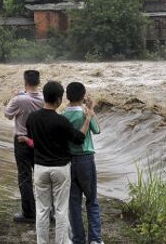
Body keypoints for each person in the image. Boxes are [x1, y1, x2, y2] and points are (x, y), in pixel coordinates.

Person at [27, 81, 93, 244]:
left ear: (44, 97)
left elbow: (31, 137)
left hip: (40, 168)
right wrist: (88, 118)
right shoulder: (61, 121)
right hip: (60, 169)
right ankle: (61, 241)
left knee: (42, 210)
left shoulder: (32, 118)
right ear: (58, 99)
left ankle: (42, 242)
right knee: (61, 209)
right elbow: (78, 139)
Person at [63, 82, 103, 244]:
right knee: (92, 200)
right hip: (86, 160)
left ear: (67, 96)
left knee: (74, 202)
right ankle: (94, 239)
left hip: (69, 161)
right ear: (83, 96)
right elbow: (97, 130)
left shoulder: (63, 116)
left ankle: (78, 239)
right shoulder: (85, 114)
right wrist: (91, 111)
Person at [4, 70, 44, 223]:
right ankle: (47, 210)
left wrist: (13, 97)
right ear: (38, 82)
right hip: (40, 141)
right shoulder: (44, 98)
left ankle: (29, 213)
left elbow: (8, 114)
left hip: (22, 140)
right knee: (42, 176)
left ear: (25, 81)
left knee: (25, 176)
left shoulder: (19, 100)